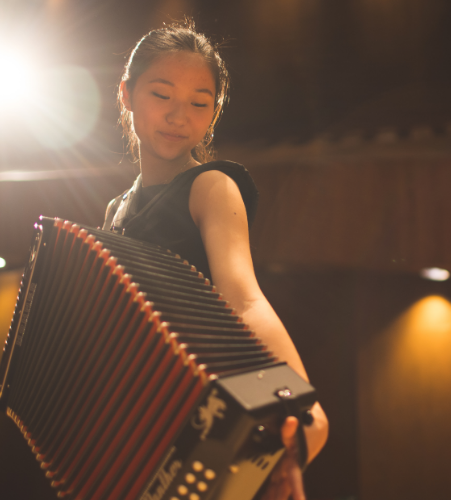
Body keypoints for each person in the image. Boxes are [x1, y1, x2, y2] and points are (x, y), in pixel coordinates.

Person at [102, 20, 328, 500]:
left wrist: (297, 400)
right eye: (161, 95)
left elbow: (244, 297)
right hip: (140, 420)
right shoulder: (114, 211)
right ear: (126, 93)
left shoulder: (211, 187)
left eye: (199, 103)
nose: (178, 115)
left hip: (204, 415)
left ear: (214, 113)